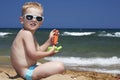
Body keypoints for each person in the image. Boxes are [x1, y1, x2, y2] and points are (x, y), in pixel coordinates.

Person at [10, 2, 65, 80]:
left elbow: (38, 50)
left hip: (28, 69)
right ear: (22, 20)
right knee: (60, 66)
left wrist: (49, 41)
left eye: (38, 18)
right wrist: (49, 53)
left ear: (41, 22)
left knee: (42, 64)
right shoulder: (26, 34)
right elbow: (33, 55)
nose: (34, 20)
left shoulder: (30, 35)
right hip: (27, 72)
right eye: (29, 17)